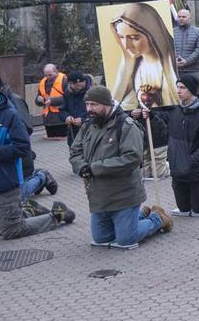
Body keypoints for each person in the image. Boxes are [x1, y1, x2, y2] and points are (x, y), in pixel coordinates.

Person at [0, 72, 72, 239]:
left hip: (4, 182)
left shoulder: (9, 115)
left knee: (12, 231)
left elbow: (21, 147)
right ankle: (27, 211)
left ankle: (57, 216)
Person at [69, 84, 172, 249]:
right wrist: (81, 167)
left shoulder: (126, 125)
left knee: (126, 240)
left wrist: (94, 168)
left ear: (107, 104)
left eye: (94, 104)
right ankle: (139, 215)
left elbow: (131, 158)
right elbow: (75, 152)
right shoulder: (88, 126)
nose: (89, 109)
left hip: (124, 194)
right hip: (99, 196)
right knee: (102, 239)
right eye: (87, 105)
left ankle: (157, 219)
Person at [109, 3, 180, 111]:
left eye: (134, 38)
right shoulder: (133, 66)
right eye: (121, 37)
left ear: (152, 34)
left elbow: (173, 101)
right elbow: (126, 104)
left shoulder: (167, 65)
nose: (126, 45)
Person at [166, 73, 199, 217]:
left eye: (183, 88)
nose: (179, 91)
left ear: (192, 90)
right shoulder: (175, 111)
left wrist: (190, 161)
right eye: (178, 87)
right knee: (183, 208)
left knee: (198, 208)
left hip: (196, 171)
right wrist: (148, 115)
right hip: (177, 170)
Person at [172, 8, 199, 84]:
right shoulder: (172, 32)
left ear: (190, 18)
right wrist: (174, 60)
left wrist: (187, 61)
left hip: (192, 70)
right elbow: (168, 48)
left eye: (184, 17)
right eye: (179, 16)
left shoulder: (198, 32)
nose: (181, 19)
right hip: (175, 70)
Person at [36, 63, 69, 139]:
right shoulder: (42, 82)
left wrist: (52, 101)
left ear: (56, 71)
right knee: (50, 141)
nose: (47, 77)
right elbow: (38, 98)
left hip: (61, 119)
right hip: (48, 120)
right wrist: (39, 100)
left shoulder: (64, 80)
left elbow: (68, 97)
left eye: (50, 75)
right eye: (46, 75)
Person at [61, 71, 92, 146]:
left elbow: (100, 113)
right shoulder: (67, 93)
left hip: (90, 131)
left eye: (76, 84)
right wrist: (66, 117)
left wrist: (83, 120)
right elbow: (62, 110)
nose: (74, 86)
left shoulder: (92, 92)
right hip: (73, 132)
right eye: (71, 84)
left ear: (83, 81)